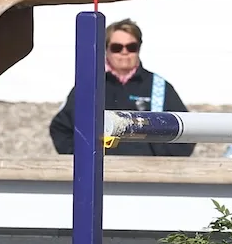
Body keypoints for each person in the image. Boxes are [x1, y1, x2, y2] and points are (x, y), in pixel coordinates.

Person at [49, 20, 195, 158]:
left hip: (148, 177)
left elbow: (187, 131)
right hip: (100, 177)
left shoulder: (159, 87)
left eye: (131, 47)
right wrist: (82, 159)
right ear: (106, 49)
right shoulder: (89, 86)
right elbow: (60, 128)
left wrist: (162, 162)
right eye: (117, 47)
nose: (124, 52)